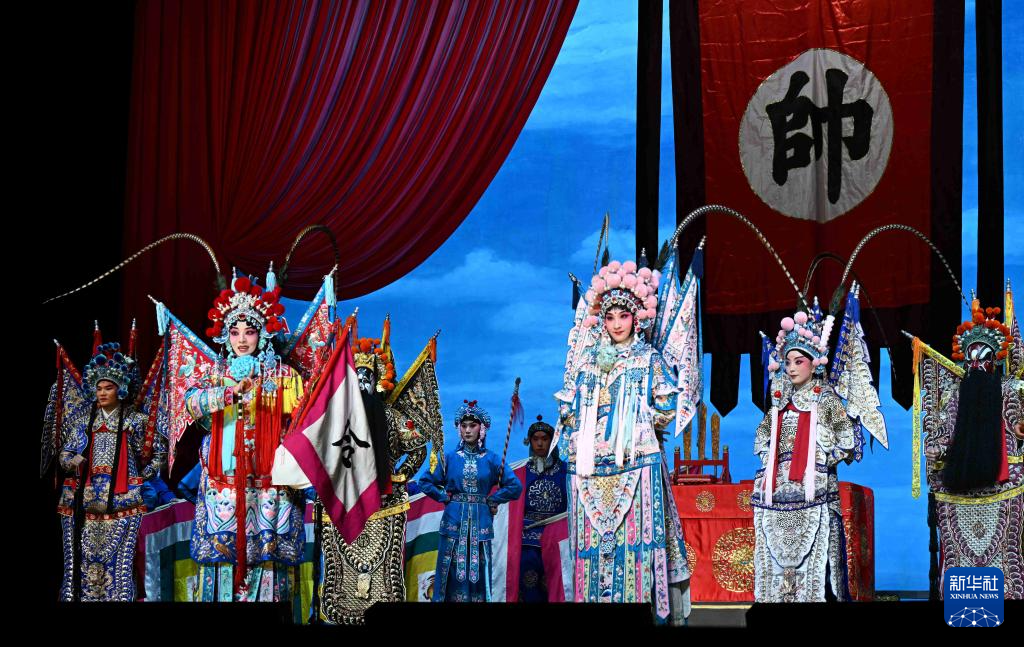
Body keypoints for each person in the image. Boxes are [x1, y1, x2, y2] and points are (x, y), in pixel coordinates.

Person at [557, 259, 691, 625]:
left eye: (624, 316)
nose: (617, 324)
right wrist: (575, 426)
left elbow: (667, 405)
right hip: (589, 468)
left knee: (638, 547)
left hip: (635, 462)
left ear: (636, 318)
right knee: (591, 548)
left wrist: (641, 420)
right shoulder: (587, 363)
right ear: (602, 320)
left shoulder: (648, 359)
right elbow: (568, 410)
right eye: (610, 317)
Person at [181, 272, 305, 602]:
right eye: (234, 332)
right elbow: (191, 403)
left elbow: (302, 421)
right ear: (225, 335)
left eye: (249, 331)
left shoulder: (283, 375)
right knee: (221, 560)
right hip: (223, 481)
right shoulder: (215, 373)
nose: (241, 339)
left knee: (269, 560)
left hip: (269, 485)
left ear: (262, 334)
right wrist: (227, 394)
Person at [319, 327, 443, 622]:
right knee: (342, 565)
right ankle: (342, 609)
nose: (363, 382)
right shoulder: (339, 416)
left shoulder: (391, 417)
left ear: (378, 382)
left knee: (383, 565)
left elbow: (418, 448)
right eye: (358, 377)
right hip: (344, 500)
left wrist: (401, 475)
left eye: (368, 377)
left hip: (386, 501)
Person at [752, 304, 864, 602]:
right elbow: (762, 437)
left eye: (798, 361)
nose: (791, 368)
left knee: (822, 569)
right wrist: (770, 462)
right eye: (787, 361)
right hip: (778, 497)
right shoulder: (779, 402)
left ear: (814, 365)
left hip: (817, 495)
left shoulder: (827, 400)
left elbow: (848, 440)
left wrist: (822, 460)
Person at [923, 295, 1023, 598]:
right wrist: (935, 448)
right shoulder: (956, 394)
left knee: (1006, 561)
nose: (977, 364)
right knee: (959, 564)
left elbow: (1016, 423)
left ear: (996, 360)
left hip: (1005, 489)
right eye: (971, 358)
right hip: (958, 490)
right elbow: (944, 435)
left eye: (984, 357)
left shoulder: (1009, 390)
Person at [57, 342, 167, 600]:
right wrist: (72, 461)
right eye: (99, 388)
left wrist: (142, 477)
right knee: (82, 564)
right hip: (85, 502)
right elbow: (64, 455)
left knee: (121, 565)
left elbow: (160, 454)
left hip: (124, 501)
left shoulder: (135, 421)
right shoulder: (84, 423)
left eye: (108, 388)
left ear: (121, 389)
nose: (102, 393)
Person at [418, 400, 522, 602]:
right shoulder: (448, 459)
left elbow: (514, 486)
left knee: (479, 570)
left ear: (481, 429)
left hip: (480, 522)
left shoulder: (492, 460)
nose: (467, 430)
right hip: (454, 521)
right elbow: (425, 482)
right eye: (463, 426)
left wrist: (493, 499)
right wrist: (443, 497)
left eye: (472, 425)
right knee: (450, 569)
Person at [519, 415, 567, 603]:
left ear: (552, 441)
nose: (540, 443)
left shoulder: (566, 471)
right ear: (530, 442)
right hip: (527, 541)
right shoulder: (521, 472)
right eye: (535, 439)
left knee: (555, 587)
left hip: (557, 538)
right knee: (528, 585)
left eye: (545, 439)